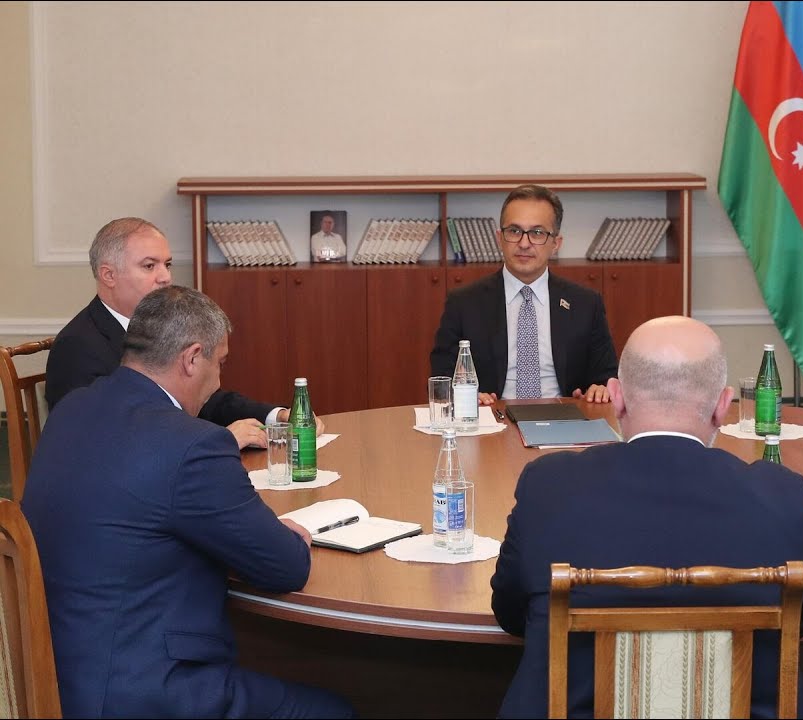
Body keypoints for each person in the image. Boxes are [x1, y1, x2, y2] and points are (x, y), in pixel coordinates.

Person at [23, 286, 354, 718]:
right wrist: (288, 535)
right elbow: (285, 567)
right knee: (334, 709)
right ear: (192, 358)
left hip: (56, 670)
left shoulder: (72, 408)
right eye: (220, 363)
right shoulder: (193, 445)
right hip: (141, 691)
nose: (219, 381)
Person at [490, 316, 803, 718]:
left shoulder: (548, 486)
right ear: (723, 406)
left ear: (617, 397)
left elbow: (510, 613)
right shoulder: (783, 496)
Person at [44, 217, 304, 449]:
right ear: (109, 275)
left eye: (167, 264)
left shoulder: (161, 326)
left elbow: (204, 397)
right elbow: (105, 438)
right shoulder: (76, 346)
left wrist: (276, 416)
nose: (165, 277)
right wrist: (220, 441)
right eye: (149, 266)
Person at [429, 184, 618, 405]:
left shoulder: (585, 304)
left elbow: (607, 377)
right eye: (514, 231)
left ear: (556, 244)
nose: (524, 243)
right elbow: (441, 380)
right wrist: (466, 397)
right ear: (499, 238)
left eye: (537, 233)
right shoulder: (464, 304)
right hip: (493, 417)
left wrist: (600, 388)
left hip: (564, 417)